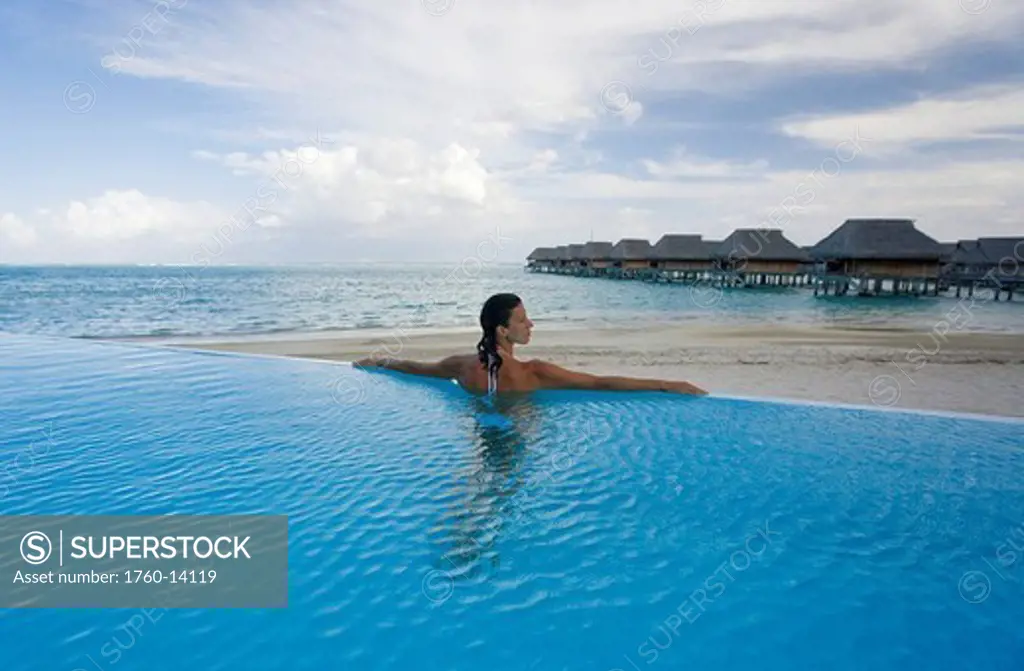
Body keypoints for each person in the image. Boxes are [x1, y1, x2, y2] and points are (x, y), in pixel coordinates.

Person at [354, 293, 708, 396]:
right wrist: (666, 383)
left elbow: (416, 368)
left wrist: (379, 360)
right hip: (515, 445)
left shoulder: (461, 366)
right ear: (503, 331)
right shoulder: (533, 372)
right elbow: (600, 383)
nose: (531, 324)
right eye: (523, 320)